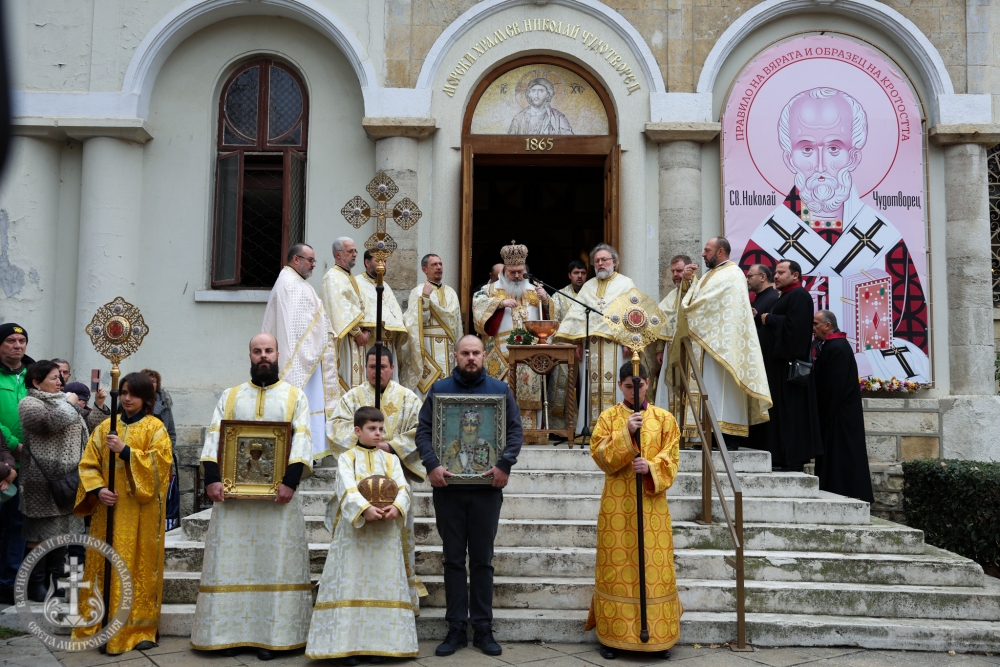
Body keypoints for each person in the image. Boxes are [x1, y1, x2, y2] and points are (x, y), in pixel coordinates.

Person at [740, 87, 928, 382]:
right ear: (790, 158)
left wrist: (862, 362)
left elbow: (914, 337)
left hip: (844, 378)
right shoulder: (764, 244)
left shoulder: (887, 242)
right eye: (806, 149)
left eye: (834, 148)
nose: (821, 165)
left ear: (853, 156)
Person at [190, 334, 314, 660]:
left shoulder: (293, 397)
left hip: (279, 503)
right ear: (249, 354)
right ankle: (224, 634)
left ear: (277, 355)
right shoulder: (231, 397)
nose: (263, 356)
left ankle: (274, 637)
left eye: (268, 351)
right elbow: (214, 437)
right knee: (231, 564)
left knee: (275, 565)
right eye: (257, 351)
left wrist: (290, 482)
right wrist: (213, 480)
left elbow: (302, 441)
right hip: (234, 505)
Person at [415, 335, 523, 657]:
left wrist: (504, 464)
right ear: (456, 355)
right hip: (448, 490)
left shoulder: (501, 392)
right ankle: (456, 629)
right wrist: (433, 464)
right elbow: (423, 431)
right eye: (466, 353)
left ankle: (483, 628)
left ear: (484, 355)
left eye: (476, 353)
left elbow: (515, 431)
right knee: (451, 560)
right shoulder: (439, 390)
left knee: (481, 560)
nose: (471, 358)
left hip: (486, 492)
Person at [306, 406, 418, 663]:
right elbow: (345, 486)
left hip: (385, 534)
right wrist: (364, 509)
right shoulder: (347, 458)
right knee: (351, 583)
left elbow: (403, 487)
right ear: (357, 430)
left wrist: (397, 506)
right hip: (354, 536)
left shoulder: (391, 460)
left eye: (381, 429)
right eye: (372, 429)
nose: (378, 434)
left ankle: (382, 645)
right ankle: (346, 646)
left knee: (382, 584)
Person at [587, 361, 682, 659]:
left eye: (639, 385)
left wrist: (651, 467)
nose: (635, 390)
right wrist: (626, 435)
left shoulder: (665, 419)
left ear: (648, 384)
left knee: (652, 568)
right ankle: (614, 637)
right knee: (618, 566)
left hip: (652, 508)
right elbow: (600, 456)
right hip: (617, 507)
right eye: (628, 386)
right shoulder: (609, 418)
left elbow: (673, 459)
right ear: (620, 386)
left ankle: (657, 635)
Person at [73, 372, 172, 655]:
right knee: (104, 566)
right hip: (109, 510)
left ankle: (140, 627)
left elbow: (160, 467)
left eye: (134, 394)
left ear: (147, 399)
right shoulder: (105, 427)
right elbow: (87, 464)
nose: (127, 398)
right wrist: (97, 490)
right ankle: (98, 622)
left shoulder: (155, 428)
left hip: (142, 512)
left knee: (138, 567)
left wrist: (126, 450)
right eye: (124, 393)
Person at [329, 347, 427, 610]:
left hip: (393, 485)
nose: (377, 372)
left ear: (392, 368)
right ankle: (352, 594)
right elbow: (336, 427)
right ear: (365, 367)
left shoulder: (408, 399)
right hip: (357, 482)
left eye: (383, 367)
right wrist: (365, 446)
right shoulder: (351, 399)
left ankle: (398, 595)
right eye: (372, 367)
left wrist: (390, 446)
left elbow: (422, 430)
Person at [670, 238, 771, 445]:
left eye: (707, 250)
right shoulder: (710, 274)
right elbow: (694, 298)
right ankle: (703, 435)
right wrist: (688, 281)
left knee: (721, 390)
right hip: (706, 343)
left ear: (721, 251)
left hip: (723, 346)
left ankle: (725, 436)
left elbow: (708, 304)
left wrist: (692, 309)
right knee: (708, 389)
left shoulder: (733, 274)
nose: (703, 254)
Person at [262, 242, 340, 460]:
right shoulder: (290, 283)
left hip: (309, 358)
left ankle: (310, 452)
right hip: (302, 360)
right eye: (310, 260)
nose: (314, 265)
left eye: (314, 260)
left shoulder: (294, 281)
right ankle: (304, 454)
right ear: (296, 259)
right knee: (305, 403)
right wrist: (323, 336)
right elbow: (297, 328)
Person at [18, 360, 87, 602]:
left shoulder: (63, 401)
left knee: (62, 534)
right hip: (41, 481)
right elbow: (47, 425)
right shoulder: (29, 403)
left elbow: (85, 428)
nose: (60, 382)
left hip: (69, 479)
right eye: (54, 378)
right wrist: (70, 405)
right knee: (38, 534)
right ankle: (34, 585)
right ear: (37, 382)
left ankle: (53, 581)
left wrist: (96, 405)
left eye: (61, 377)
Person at [554, 244, 635, 431]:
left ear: (614, 262)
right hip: (591, 345)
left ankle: (618, 428)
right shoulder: (589, 286)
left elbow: (633, 314)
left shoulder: (626, 283)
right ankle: (591, 428)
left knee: (616, 386)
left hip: (615, 346)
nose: (600, 263)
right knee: (590, 388)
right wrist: (576, 342)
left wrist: (629, 341)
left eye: (604, 260)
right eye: (597, 261)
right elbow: (576, 315)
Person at [472, 241, 548, 436]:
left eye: (520, 272)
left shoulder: (534, 290)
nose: (516, 276)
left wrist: (546, 300)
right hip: (499, 354)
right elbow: (477, 307)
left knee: (528, 394)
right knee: (498, 396)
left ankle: (528, 434)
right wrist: (499, 303)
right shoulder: (489, 290)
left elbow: (551, 319)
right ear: (504, 270)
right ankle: (497, 434)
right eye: (512, 272)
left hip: (529, 355)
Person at [759, 260, 822, 471]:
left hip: (789, 368)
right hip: (779, 367)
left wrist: (772, 319)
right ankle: (780, 456)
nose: (776, 276)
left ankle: (790, 459)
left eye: (781, 272)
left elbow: (797, 328)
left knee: (791, 414)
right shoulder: (786, 296)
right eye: (775, 272)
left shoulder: (799, 296)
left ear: (795, 275)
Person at [812, 310, 874, 503]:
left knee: (840, 456)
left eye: (816, 324)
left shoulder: (837, 347)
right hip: (836, 415)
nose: (813, 329)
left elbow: (833, 388)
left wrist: (820, 416)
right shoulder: (832, 345)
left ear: (827, 326)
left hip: (839, 417)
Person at [400, 253, 462, 398]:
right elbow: (415, 321)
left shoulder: (451, 292)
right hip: (427, 348)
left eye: (440, 264)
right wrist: (426, 298)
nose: (439, 267)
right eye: (434, 265)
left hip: (449, 346)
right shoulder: (418, 291)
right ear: (424, 269)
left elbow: (457, 324)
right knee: (428, 387)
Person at [0, 323, 32, 604]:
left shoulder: (33, 375)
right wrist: (13, 445)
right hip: (3, 459)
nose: (17, 345)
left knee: (17, 524)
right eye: (11, 340)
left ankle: (9, 583)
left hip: (28, 466)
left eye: (21, 340)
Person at [322, 237, 371, 391]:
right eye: (350, 251)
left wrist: (367, 330)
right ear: (338, 255)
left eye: (355, 251)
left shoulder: (348, 276)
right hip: (345, 340)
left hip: (356, 339)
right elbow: (341, 311)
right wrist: (358, 333)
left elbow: (361, 306)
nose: (355, 254)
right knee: (346, 379)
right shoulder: (332, 277)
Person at [356, 249, 408, 382]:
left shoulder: (386, 286)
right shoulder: (357, 283)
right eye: (378, 260)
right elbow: (357, 310)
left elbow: (394, 313)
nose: (382, 264)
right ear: (367, 263)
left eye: (384, 261)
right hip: (369, 341)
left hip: (388, 341)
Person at [653, 255, 693, 414]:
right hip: (670, 351)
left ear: (688, 270)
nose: (675, 274)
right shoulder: (671, 295)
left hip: (689, 350)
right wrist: (659, 348)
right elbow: (661, 321)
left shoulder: (697, 292)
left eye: (679, 270)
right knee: (669, 391)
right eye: (673, 271)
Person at [746, 264, 779, 451]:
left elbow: (770, 331)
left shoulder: (773, 298)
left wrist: (757, 319)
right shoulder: (757, 299)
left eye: (751, 275)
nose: (748, 279)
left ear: (763, 277)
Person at [507, 77, 574, 135]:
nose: (536, 94)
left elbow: (569, 142)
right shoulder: (519, 118)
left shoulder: (558, 118)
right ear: (529, 94)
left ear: (548, 94)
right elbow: (509, 142)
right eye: (533, 91)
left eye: (541, 91)